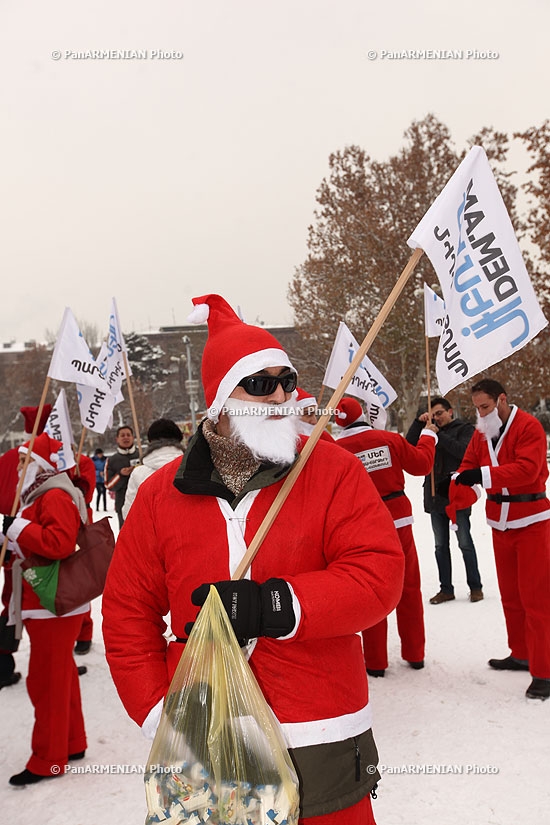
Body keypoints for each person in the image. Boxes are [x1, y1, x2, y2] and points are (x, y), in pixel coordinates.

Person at [102, 293, 404, 825]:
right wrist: (157, 711)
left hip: (320, 729)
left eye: (287, 380)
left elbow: (378, 575)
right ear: (221, 400)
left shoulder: (331, 469)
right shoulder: (159, 496)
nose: (282, 395)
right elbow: (127, 613)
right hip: (206, 733)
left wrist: (278, 605)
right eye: (260, 384)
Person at [454, 378, 550, 701]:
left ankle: (545, 671)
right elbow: (469, 464)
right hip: (500, 524)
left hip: (533, 523)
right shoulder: (482, 432)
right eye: (476, 408)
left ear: (502, 400)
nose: (480, 413)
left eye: (485, 406)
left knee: (537, 600)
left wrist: (481, 476)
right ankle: (521, 653)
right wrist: (457, 481)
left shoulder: (529, 427)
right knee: (511, 596)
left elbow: (527, 469)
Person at [2, 433, 89, 785]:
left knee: (45, 682)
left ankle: (48, 759)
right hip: (48, 602)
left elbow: (59, 543)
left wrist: (15, 527)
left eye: (24, 461)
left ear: (38, 464)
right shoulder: (44, 493)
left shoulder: (53, 494)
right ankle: (71, 742)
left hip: (51, 603)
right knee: (60, 675)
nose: (19, 467)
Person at [334, 396, 437, 677]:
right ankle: (415, 653)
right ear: (363, 414)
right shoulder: (388, 439)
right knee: (409, 586)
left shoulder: (336, 449)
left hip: (364, 526)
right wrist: (428, 435)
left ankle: (376, 662)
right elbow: (421, 465)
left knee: (371, 590)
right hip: (399, 520)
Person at [406, 396, 483, 604]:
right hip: (434, 496)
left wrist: (439, 436)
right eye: (433, 415)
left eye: (439, 413)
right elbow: (409, 447)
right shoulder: (428, 431)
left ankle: (475, 587)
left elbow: (464, 451)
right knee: (440, 546)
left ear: (450, 412)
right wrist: (419, 424)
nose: (436, 418)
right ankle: (446, 589)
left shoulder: (464, 429)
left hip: (457, 495)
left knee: (465, 543)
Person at [121, 418, 184, 520]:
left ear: (151, 442)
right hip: (189, 533)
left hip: (153, 533)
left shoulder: (138, 474)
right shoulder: (193, 469)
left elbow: (129, 514)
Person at [104, 426, 139, 528]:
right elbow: (108, 485)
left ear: (133, 437)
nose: (126, 438)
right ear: (117, 439)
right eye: (122, 435)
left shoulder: (142, 455)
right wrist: (120, 475)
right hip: (123, 506)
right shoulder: (112, 460)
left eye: (128, 435)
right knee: (127, 540)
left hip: (143, 504)